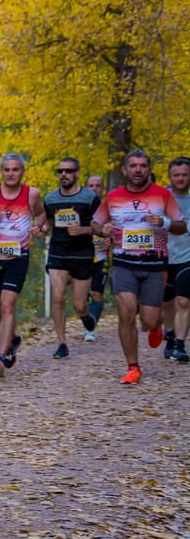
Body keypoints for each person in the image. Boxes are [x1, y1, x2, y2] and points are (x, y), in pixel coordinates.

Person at [91, 149, 186, 383]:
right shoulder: (113, 196)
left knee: (149, 319)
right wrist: (103, 229)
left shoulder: (163, 194)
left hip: (155, 265)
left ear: (149, 170)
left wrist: (164, 222)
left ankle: (155, 326)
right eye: (133, 166)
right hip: (124, 264)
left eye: (143, 166)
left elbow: (181, 226)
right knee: (126, 311)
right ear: (125, 170)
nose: (138, 170)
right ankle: (133, 367)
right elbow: (95, 224)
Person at [0, 153, 45, 376]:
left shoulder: (32, 194)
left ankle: (1, 355)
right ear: (1, 171)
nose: (11, 174)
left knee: (8, 304)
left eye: (15, 169)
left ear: (22, 172)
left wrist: (38, 227)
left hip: (18, 257)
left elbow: (41, 215)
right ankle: (12, 340)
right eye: (7, 169)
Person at [40, 158, 99, 359]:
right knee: (57, 297)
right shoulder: (50, 199)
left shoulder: (90, 198)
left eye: (68, 171)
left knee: (79, 304)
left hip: (82, 254)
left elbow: (101, 226)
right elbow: (48, 222)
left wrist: (83, 230)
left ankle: (86, 316)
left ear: (77, 173)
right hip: (58, 252)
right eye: (60, 171)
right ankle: (62, 344)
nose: (64, 174)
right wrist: (42, 229)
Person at [160, 157, 190, 362]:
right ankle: (169, 335)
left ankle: (180, 346)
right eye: (176, 175)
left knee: (183, 301)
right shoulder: (160, 198)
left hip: (187, 258)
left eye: (184, 175)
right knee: (166, 302)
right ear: (170, 177)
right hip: (162, 257)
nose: (180, 178)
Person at [85, 175, 110, 341]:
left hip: (101, 258)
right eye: (91, 185)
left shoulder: (110, 209)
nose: (94, 188)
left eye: (98, 185)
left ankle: (90, 329)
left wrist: (111, 240)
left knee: (97, 293)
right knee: (82, 296)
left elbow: (118, 230)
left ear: (103, 188)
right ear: (86, 188)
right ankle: (88, 319)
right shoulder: (81, 208)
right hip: (82, 258)